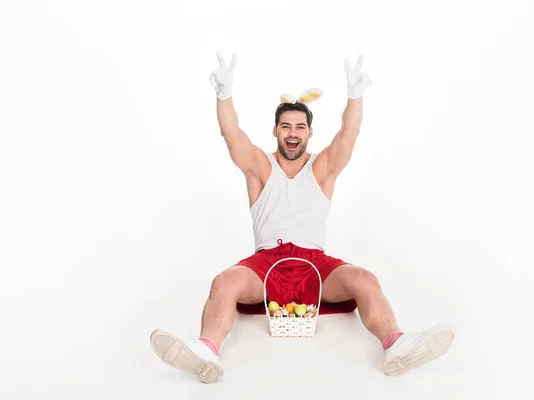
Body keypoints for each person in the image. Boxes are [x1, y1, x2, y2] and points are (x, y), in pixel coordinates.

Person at [150, 52, 456, 383]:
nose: (292, 133)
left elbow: (347, 135)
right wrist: (224, 95)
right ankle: (207, 351)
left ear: (310, 132)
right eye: (286, 127)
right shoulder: (260, 168)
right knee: (223, 283)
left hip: (316, 266)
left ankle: (396, 344)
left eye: (300, 127)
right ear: (275, 131)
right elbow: (233, 134)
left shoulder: (322, 169)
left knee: (365, 279)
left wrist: (355, 96)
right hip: (266, 264)